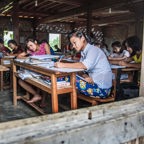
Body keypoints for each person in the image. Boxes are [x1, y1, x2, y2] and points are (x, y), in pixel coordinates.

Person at [54, 30, 112, 98]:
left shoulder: (93, 50)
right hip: (93, 84)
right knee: (68, 77)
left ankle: (52, 87)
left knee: (69, 78)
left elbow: (84, 65)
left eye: (75, 43)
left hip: (102, 89)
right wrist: (85, 76)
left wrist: (62, 65)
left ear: (82, 38)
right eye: (72, 44)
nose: (73, 46)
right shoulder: (84, 52)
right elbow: (81, 69)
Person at [18, 37, 51, 103]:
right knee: (20, 81)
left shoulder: (44, 45)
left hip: (45, 69)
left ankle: (43, 100)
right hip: (35, 71)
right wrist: (29, 57)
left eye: (31, 45)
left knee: (43, 81)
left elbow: (49, 57)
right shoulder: (30, 51)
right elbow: (19, 56)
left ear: (35, 42)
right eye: (28, 46)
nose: (30, 48)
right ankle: (36, 95)